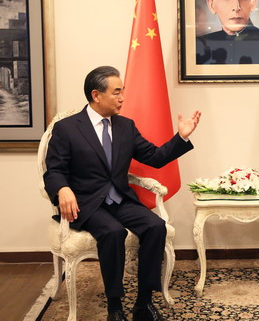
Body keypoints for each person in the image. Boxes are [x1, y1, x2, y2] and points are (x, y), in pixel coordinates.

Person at [43, 66, 201, 321]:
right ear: (96, 95)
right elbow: (54, 170)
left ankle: (143, 303)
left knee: (155, 226)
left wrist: (180, 138)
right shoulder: (67, 128)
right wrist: (62, 189)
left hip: (120, 199)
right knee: (112, 232)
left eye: (122, 92)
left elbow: (155, 157)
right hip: (87, 203)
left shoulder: (126, 126)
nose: (122, 98)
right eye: (117, 92)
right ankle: (115, 307)